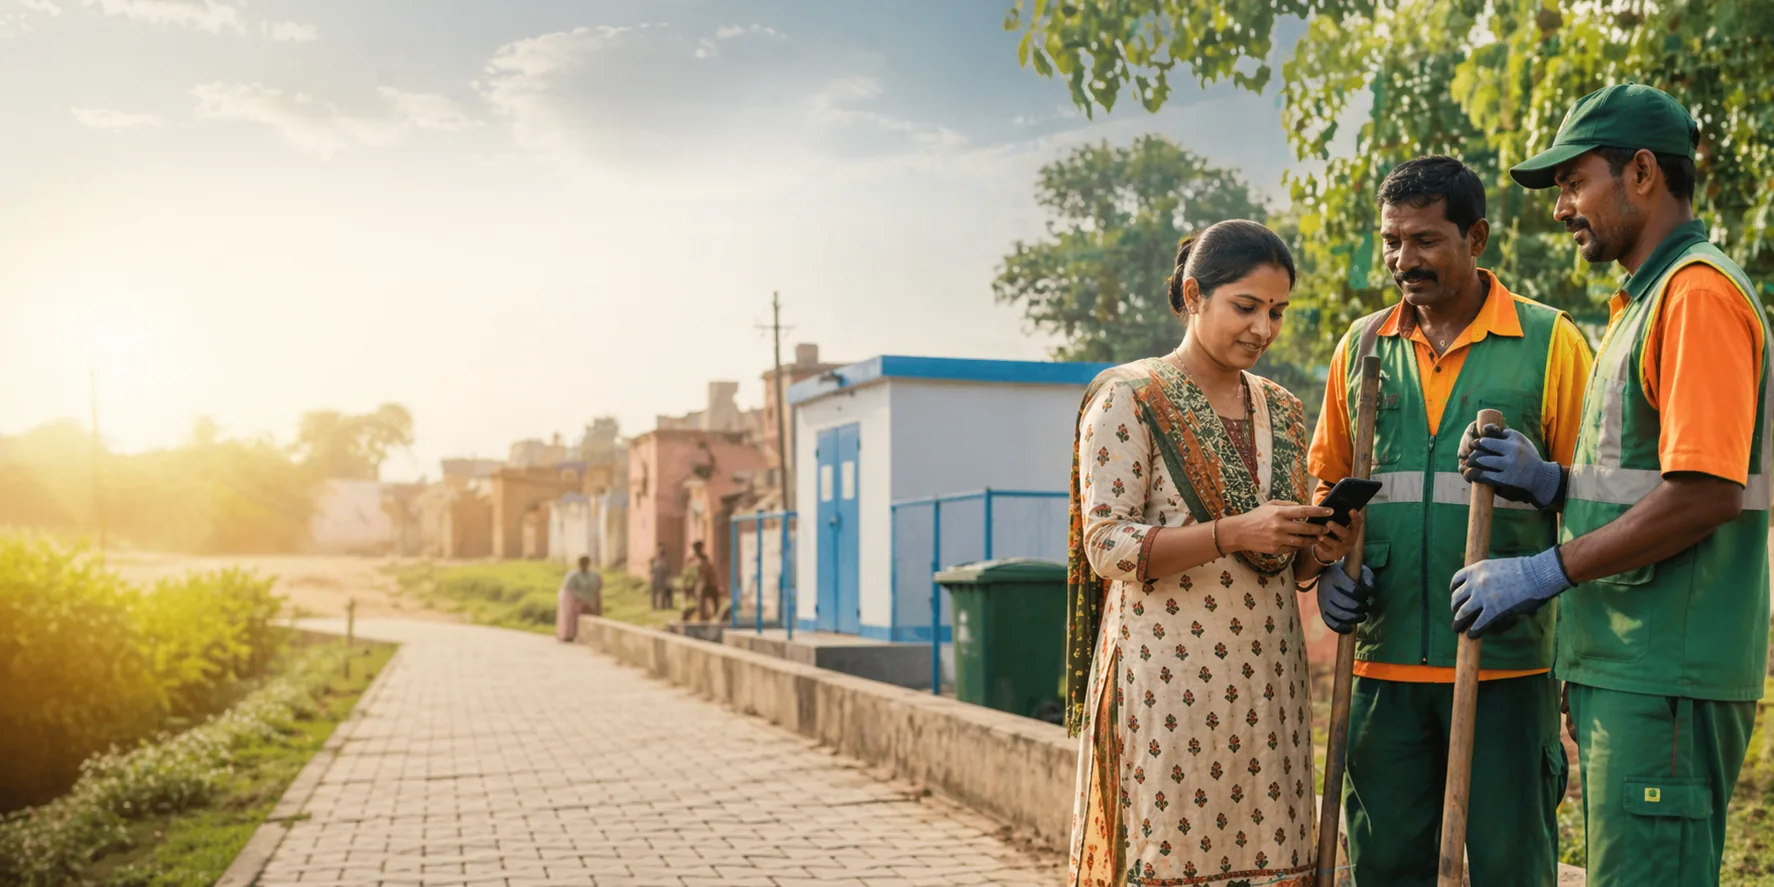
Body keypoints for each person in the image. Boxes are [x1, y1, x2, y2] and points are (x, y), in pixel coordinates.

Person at [1455, 84, 1771, 885]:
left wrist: (1544, 570)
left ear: (1639, 173)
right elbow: (1644, 480)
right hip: (1631, 663)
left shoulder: (1696, 296)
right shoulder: (1643, 303)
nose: (1561, 209)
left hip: (1666, 668)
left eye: (1572, 183)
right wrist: (1553, 483)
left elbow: (1706, 494)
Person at [1306, 155, 1593, 885]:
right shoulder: (1362, 348)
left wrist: (1545, 484)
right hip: (1380, 670)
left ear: (1478, 237)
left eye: (1427, 240)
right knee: (1386, 865)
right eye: (1392, 241)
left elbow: (1594, 501)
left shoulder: (1550, 341)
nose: (1405, 260)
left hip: (1506, 664)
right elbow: (1325, 487)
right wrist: (1331, 571)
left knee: (1510, 865)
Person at [1066, 219, 1369, 887]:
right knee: (1171, 855)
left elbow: (1285, 563)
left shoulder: (1285, 410)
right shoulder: (1130, 397)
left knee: (1277, 854)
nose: (1264, 328)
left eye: (1278, 311)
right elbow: (1106, 544)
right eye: (1247, 306)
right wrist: (1230, 532)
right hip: (1166, 679)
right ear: (1195, 294)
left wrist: (1322, 547)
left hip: (1271, 685)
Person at [556, 555, 603, 643]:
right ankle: (567, 634)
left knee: (594, 608)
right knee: (570, 610)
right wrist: (581, 599)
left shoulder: (594, 576)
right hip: (573, 598)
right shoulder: (573, 575)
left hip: (588, 598)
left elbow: (596, 590)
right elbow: (569, 590)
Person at [687, 540, 721, 622]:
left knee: (706, 596)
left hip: (709, 585)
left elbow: (705, 576)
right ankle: (703, 617)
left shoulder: (703, 560)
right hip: (703, 585)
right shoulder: (696, 560)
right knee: (701, 596)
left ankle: (707, 617)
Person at [649, 544, 672, 610]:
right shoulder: (654, 560)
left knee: (663, 593)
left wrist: (668, 579)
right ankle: (654, 606)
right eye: (659, 551)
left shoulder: (665, 561)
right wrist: (651, 577)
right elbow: (651, 570)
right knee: (654, 594)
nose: (660, 552)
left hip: (663, 579)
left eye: (661, 551)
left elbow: (668, 571)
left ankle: (663, 606)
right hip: (655, 579)